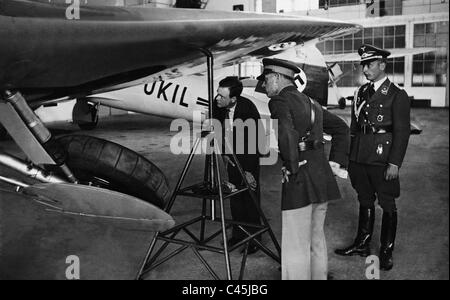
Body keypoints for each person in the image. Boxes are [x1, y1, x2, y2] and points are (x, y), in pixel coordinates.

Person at [257, 58, 350, 280]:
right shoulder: (312, 103)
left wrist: (291, 165)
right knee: (316, 239)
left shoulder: (279, 101)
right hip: (322, 177)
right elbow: (342, 129)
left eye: (266, 79)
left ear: (278, 78)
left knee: (296, 244)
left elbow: (286, 134)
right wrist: (335, 163)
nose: (264, 85)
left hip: (299, 178)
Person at [334, 44, 411, 271]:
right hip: (360, 156)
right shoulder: (360, 93)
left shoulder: (397, 95)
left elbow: (402, 132)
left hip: (382, 157)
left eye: (370, 64)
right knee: (364, 199)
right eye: (363, 65)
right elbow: (353, 128)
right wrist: (349, 158)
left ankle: (386, 250)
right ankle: (362, 243)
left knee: (387, 202)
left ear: (382, 65)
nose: (365, 69)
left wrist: (395, 163)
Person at [213, 76, 262, 255]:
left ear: (233, 99)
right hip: (231, 156)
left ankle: (255, 238)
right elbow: (217, 130)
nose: (217, 98)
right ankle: (239, 233)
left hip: (248, 157)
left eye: (222, 96)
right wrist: (224, 154)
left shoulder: (248, 110)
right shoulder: (218, 104)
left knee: (250, 196)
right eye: (217, 94)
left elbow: (255, 142)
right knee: (235, 195)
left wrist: (248, 171)